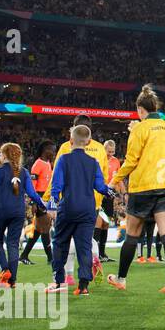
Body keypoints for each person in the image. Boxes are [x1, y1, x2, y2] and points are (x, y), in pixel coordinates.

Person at [107, 86, 165, 293]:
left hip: (144, 187)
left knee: (132, 233)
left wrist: (115, 180)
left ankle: (121, 278)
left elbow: (132, 160)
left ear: (140, 109)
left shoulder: (140, 128)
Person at [47, 124, 114, 295]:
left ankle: (59, 280)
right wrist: (109, 191)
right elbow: (100, 186)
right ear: (89, 141)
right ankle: (83, 286)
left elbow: (57, 186)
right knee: (84, 247)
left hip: (68, 207)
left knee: (60, 244)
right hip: (87, 210)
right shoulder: (93, 162)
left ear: (71, 140)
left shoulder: (63, 160)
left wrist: (52, 205)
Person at [0, 142, 47, 288]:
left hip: (1, 212)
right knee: (13, 244)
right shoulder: (25, 172)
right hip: (18, 212)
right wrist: (42, 205)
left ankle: (5, 270)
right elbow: (32, 194)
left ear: (4, 156)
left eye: (0, 154)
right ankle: (12, 281)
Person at [18, 140, 55, 265]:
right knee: (45, 227)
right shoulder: (37, 164)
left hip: (46, 197)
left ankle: (24, 255)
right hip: (39, 197)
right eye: (52, 149)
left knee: (40, 229)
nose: (54, 152)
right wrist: (33, 203)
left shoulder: (48, 163)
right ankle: (51, 258)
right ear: (46, 150)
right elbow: (32, 186)